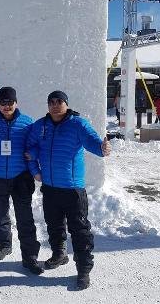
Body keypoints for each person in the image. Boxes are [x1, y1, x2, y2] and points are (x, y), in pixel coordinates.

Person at [26, 90, 111, 290]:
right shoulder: (40, 126)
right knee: (54, 225)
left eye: (59, 101)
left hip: (73, 189)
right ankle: (59, 254)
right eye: (51, 102)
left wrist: (102, 148)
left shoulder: (77, 124)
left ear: (66, 104)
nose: (55, 105)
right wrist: (35, 171)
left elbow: (92, 142)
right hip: (50, 188)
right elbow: (31, 149)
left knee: (80, 231)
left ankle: (83, 270)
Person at [0, 86, 42, 275]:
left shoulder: (27, 122)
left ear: (16, 103)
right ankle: (4, 244)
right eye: (3, 103)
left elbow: (36, 145)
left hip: (21, 177)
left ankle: (30, 256)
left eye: (10, 102)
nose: (6, 106)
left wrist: (31, 153)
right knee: (0, 214)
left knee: (25, 217)